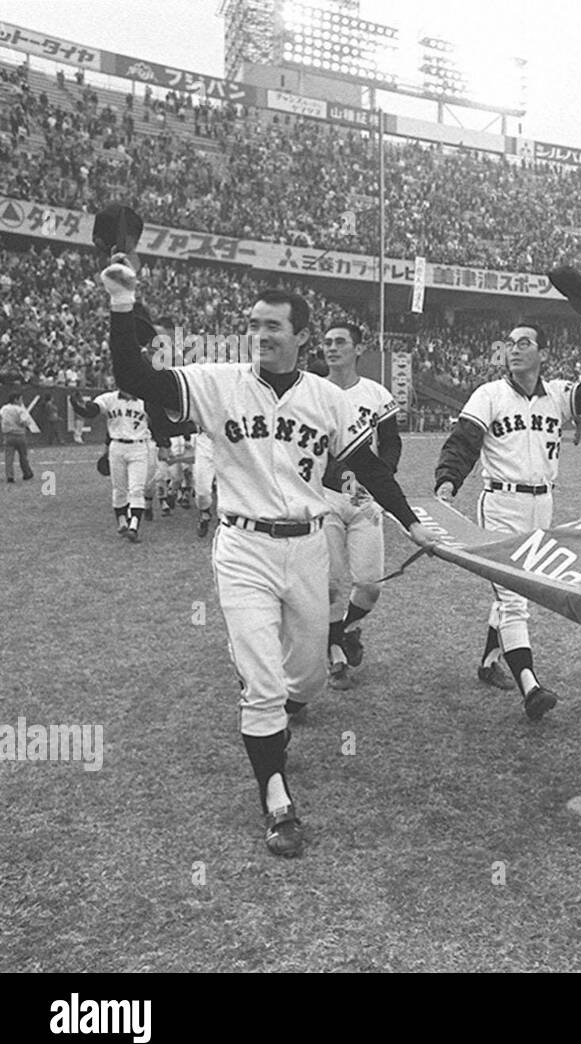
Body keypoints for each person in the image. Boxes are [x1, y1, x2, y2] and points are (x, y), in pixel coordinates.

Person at [98, 256, 438, 858]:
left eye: (273, 326)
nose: (260, 335)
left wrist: (412, 523)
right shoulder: (217, 382)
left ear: (300, 335)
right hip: (243, 546)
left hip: (307, 546)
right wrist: (123, 307)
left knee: (304, 678)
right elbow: (135, 378)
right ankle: (276, 800)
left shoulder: (329, 400)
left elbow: (367, 466)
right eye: (253, 325)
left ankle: (283, 690)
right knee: (263, 687)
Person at [434, 316, 581, 721]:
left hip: (542, 505)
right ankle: (530, 686)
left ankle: (488, 661)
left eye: (524, 342)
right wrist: (447, 482)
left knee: (517, 589)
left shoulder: (557, 395)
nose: (513, 349)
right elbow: (464, 441)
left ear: (543, 353)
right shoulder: (490, 394)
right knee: (514, 599)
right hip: (499, 502)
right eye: (510, 343)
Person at [320, 322, 401, 691]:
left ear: (358, 349)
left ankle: (346, 629)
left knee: (369, 585)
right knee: (333, 585)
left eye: (340, 342)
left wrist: (380, 477)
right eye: (327, 342)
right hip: (323, 497)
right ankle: (334, 651)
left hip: (365, 498)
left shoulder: (376, 393)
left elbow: (391, 443)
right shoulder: (312, 390)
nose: (332, 348)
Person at [70, 386, 153, 540]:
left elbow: (157, 423)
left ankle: (134, 526)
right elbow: (92, 411)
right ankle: (122, 521)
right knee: (119, 488)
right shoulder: (109, 398)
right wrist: (78, 406)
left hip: (139, 446)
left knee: (136, 489)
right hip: (117, 446)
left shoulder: (146, 400)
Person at [2, 392, 39, 482]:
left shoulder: (4, 408)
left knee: (9, 457)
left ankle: (9, 476)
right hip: (19, 435)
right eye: (20, 399)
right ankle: (27, 473)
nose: (21, 401)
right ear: (16, 400)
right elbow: (24, 421)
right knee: (23, 456)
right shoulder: (20, 410)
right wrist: (26, 424)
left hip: (8, 435)